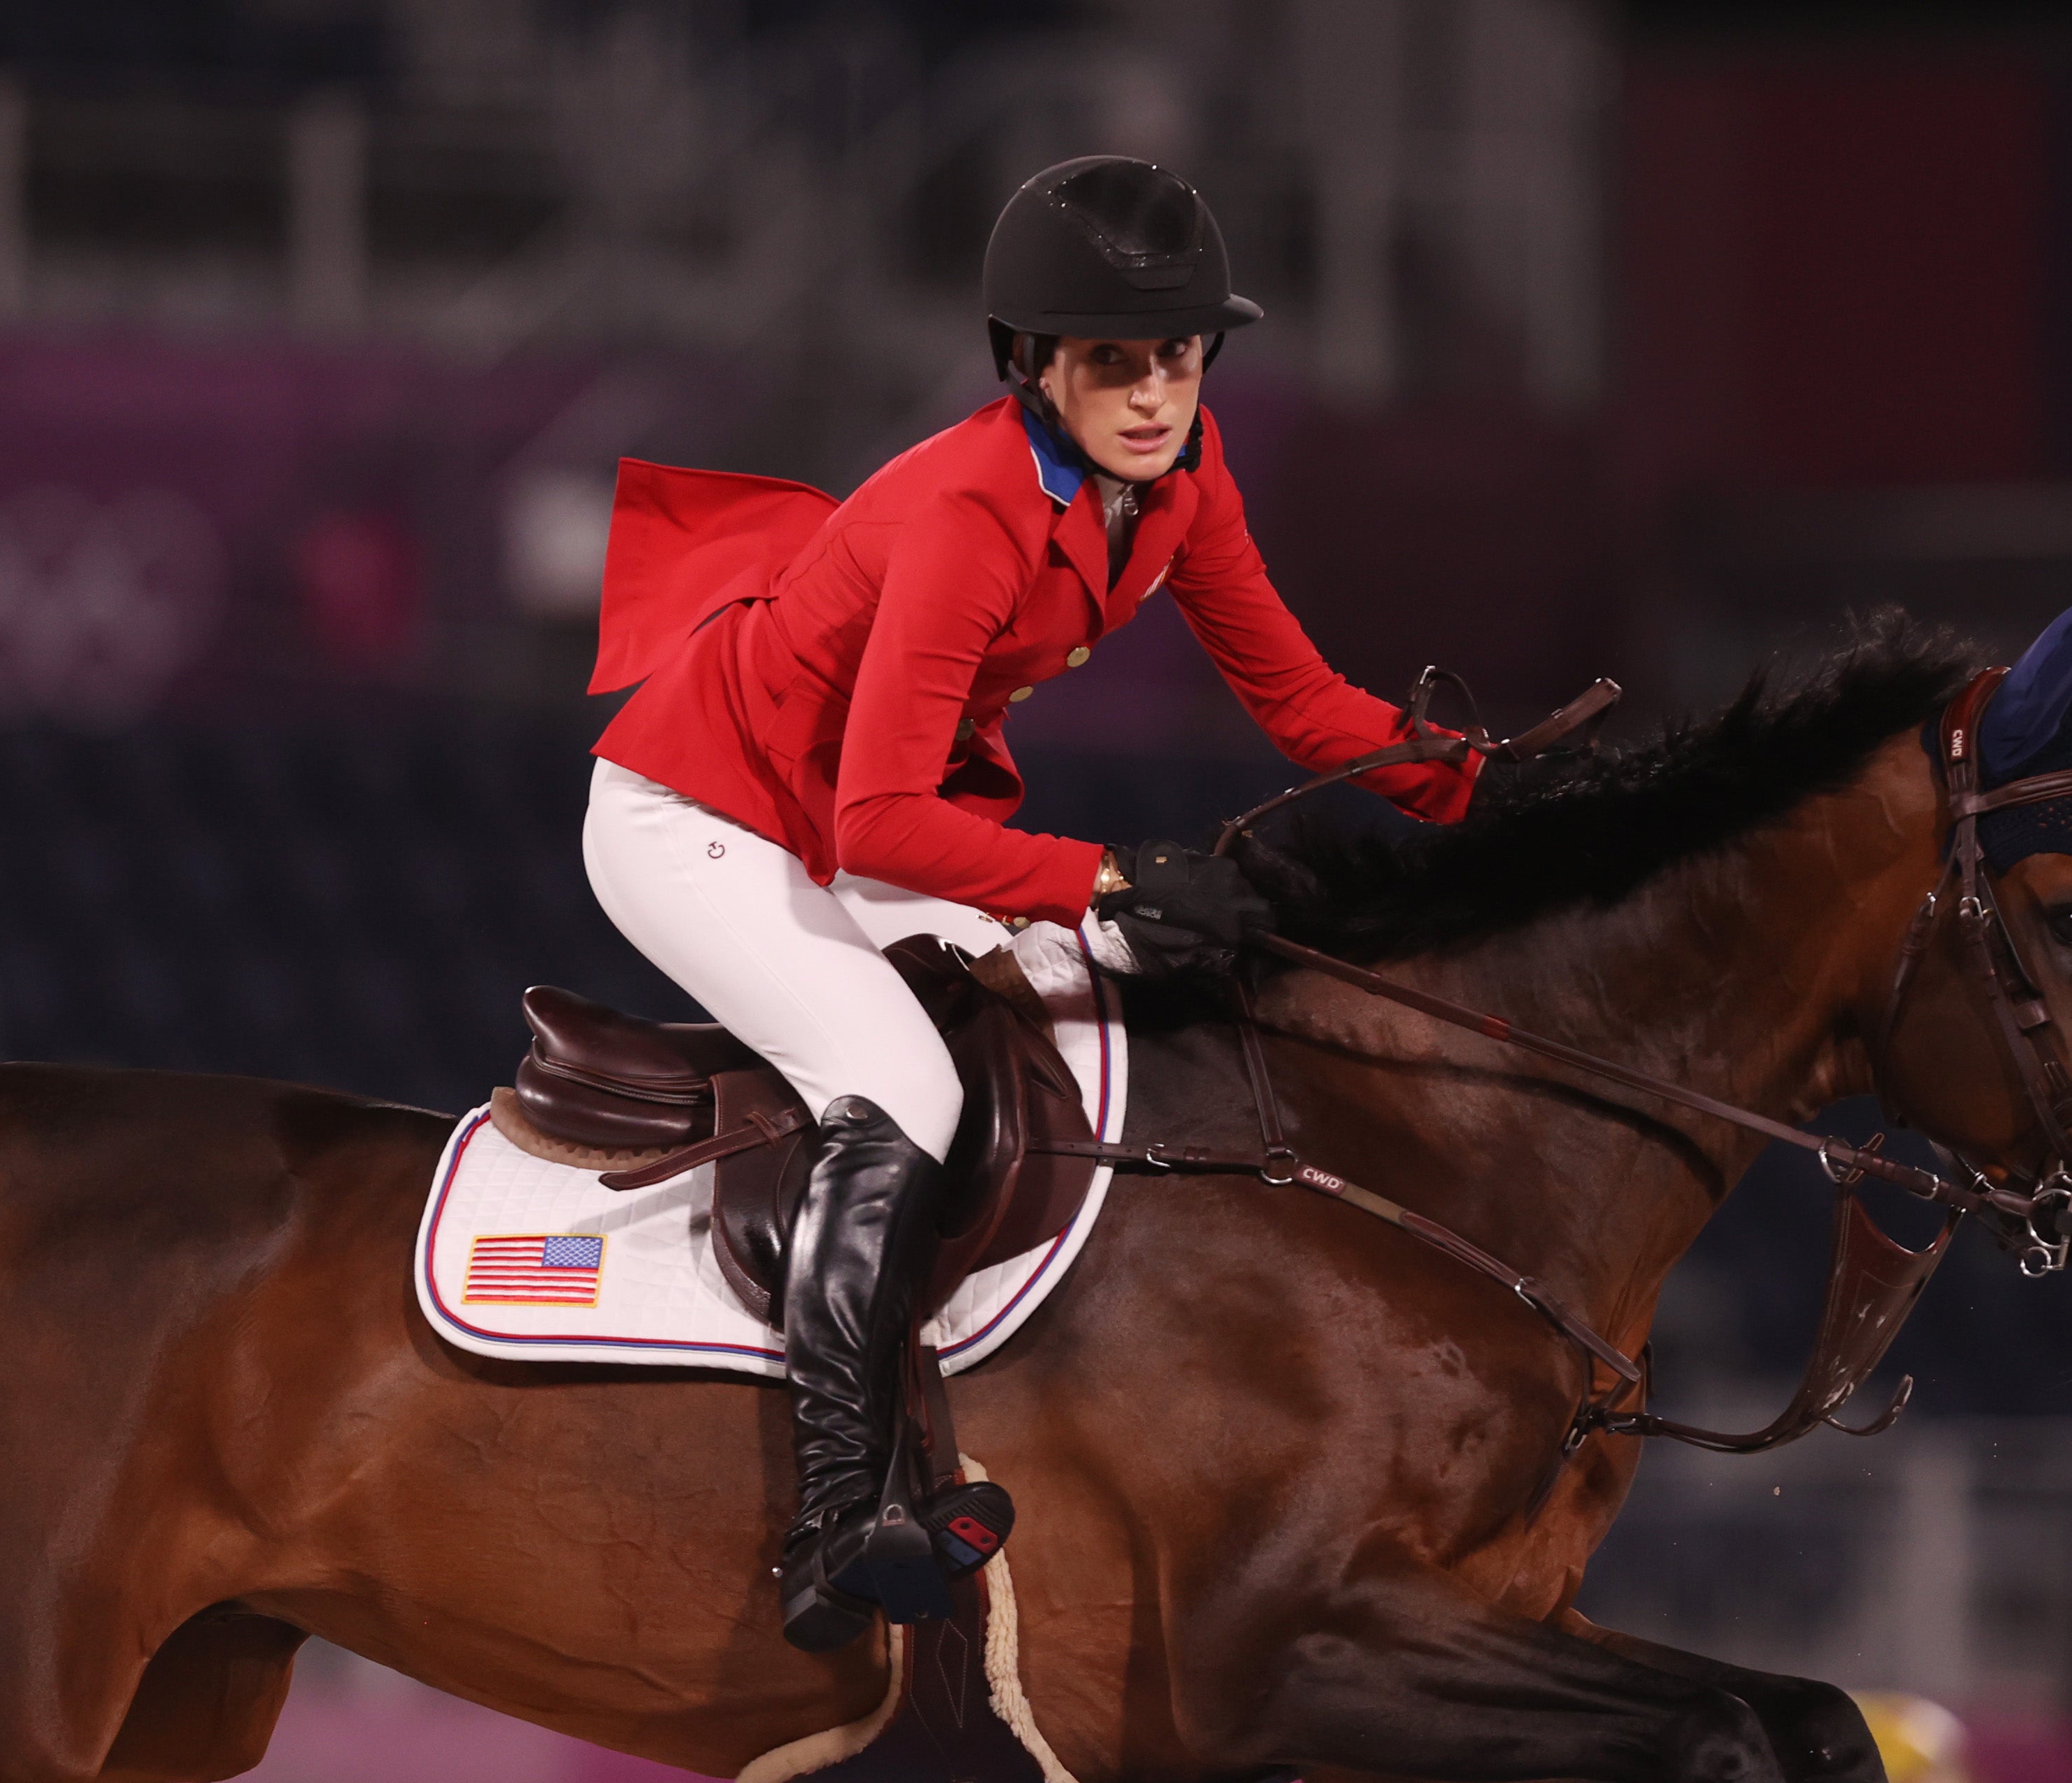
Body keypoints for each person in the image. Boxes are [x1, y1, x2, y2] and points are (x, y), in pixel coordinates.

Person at [584, 155, 1479, 1652]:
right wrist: (1104, 875)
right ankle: (833, 1526)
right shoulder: (966, 511)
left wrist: (1492, 793)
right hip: (702, 817)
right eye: (1110, 363)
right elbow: (878, 814)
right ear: (1029, 367)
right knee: (899, 1085)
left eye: (1176, 358)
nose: (1149, 395)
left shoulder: (1183, 485)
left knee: (1083, 1025)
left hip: (840, 822)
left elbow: (1301, 701)